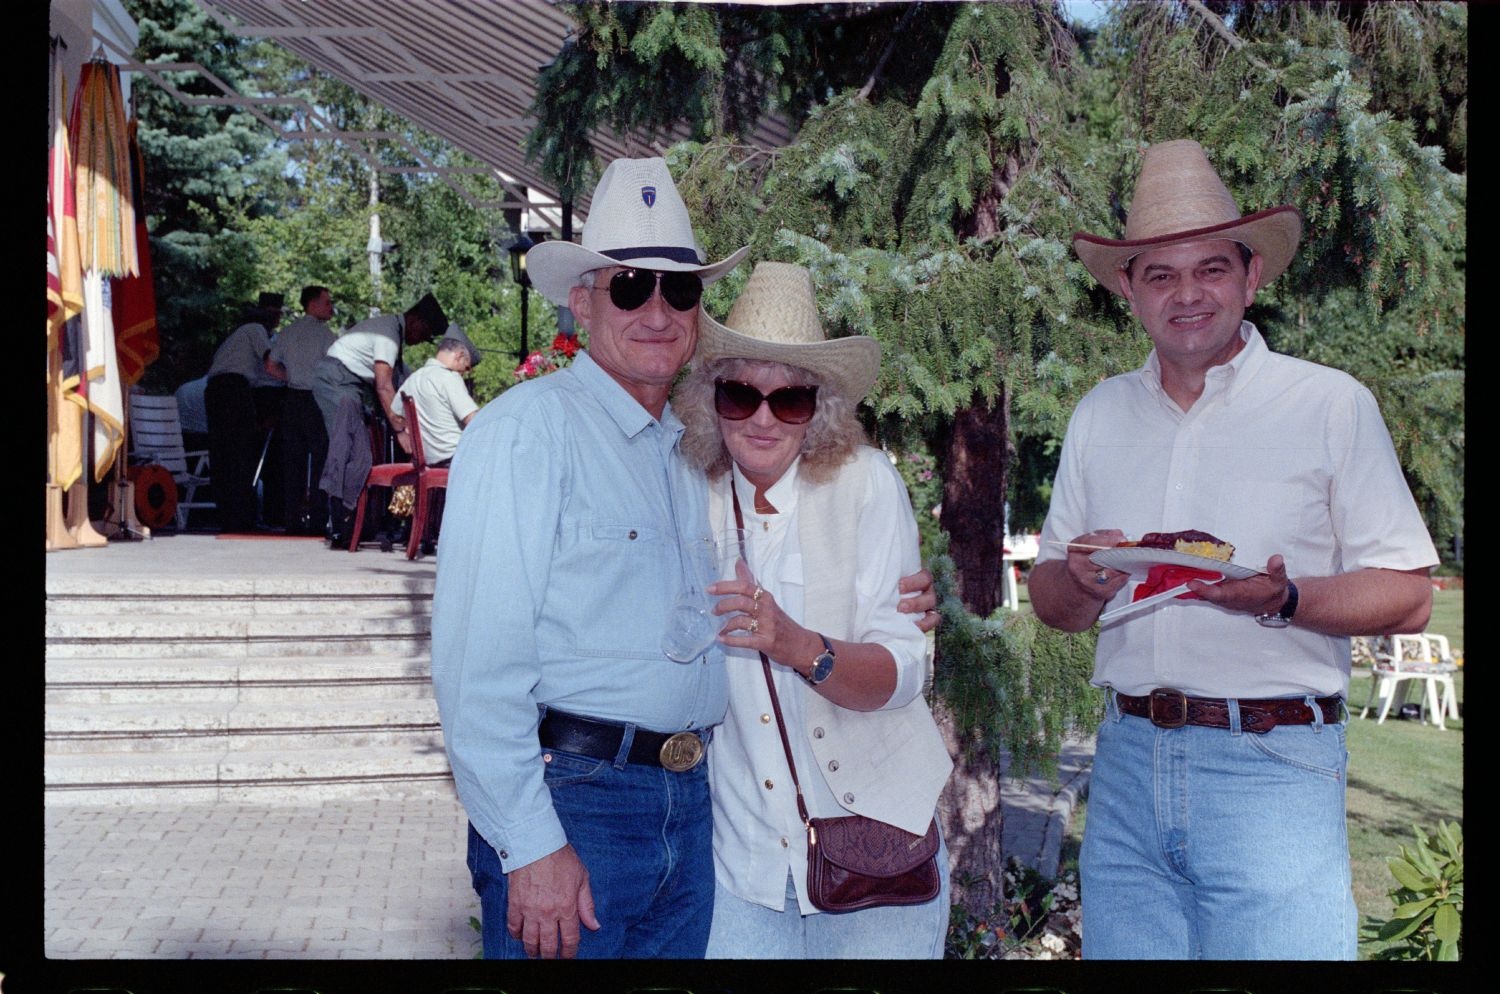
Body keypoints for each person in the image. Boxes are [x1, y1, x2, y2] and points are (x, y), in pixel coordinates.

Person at [430, 157, 939, 960]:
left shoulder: (688, 455)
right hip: (580, 806)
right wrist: (529, 845)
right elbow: (474, 668)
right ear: (583, 300)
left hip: (690, 817)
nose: (658, 310)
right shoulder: (529, 433)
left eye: (681, 289)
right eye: (631, 286)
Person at [1027, 139, 1438, 960]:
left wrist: (1286, 601)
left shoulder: (1329, 405)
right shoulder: (1098, 415)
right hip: (1127, 760)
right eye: (1160, 275)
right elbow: (1053, 603)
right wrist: (1082, 578)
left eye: (1211, 269)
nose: (1187, 295)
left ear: (1252, 278)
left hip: (1272, 767)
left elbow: (1409, 592)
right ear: (1128, 292)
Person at [673, 261, 953, 958]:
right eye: (740, 394)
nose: (763, 418)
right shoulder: (682, 491)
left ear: (819, 409)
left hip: (878, 858)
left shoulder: (865, 484)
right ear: (711, 400)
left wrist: (801, 647)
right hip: (739, 864)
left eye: (789, 400)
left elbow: (907, 668)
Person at [313, 291, 447, 545]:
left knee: (361, 455)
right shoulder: (388, 335)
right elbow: (384, 386)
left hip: (349, 385)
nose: (420, 341)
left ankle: (356, 524)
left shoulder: (391, 333)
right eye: (425, 333)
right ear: (416, 320)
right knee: (349, 451)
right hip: (337, 381)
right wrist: (400, 430)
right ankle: (341, 526)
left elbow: (401, 383)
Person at [204, 292, 286, 532]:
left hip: (217, 390)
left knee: (224, 455)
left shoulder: (236, 337)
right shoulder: (255, 330)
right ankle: (243, 518)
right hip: (233, 390)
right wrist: (296, 379)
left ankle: (230, 517)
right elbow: (271, 364)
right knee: (241, 453)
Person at [268, 285, 336, 534]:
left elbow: (270, 366)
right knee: (320, 460)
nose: (331, 308)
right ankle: (318, 521)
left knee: (293, 461)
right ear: (313, 304)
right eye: (327, 302)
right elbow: (335, 368)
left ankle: (292, 521)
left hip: (293, 398)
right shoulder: (326, 336)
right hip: (316, 399)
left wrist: (292, 377)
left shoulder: (287, 332)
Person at [395, 325, 480, 467]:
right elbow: (473, 420)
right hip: (455, 461)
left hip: (428, 463)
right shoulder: (449, 377)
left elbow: (396, 416)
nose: (464, 373)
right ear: (459, 356)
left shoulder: (412, 379)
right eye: (466, 368)